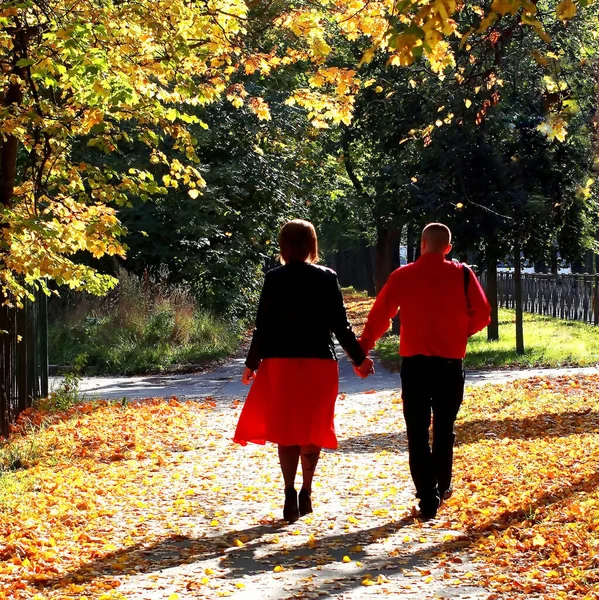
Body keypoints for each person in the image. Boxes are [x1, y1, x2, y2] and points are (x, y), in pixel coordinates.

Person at [234, 219, 374, 523]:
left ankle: (288, 492)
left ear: (283, 247)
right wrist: (359, 359)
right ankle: (306, 491)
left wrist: (251, 363)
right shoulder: (327, 278)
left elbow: (264, 326)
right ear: (312, 246)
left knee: (287, 429)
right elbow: (340, 325)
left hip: (280, 363)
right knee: (313, 426)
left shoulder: (274, 279)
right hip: (318, 364)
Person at [359, 223, 490, 519]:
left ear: (421, 244)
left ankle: (426, 495)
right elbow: (483, 314)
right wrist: (459, 332)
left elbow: (381, 314)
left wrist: (364, 348)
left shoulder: (403, 276)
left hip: (415, 367)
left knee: (417, 433)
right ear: (448, 247)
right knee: (444, 430)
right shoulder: (463, 275)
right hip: (449, 366)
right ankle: (442, 486)